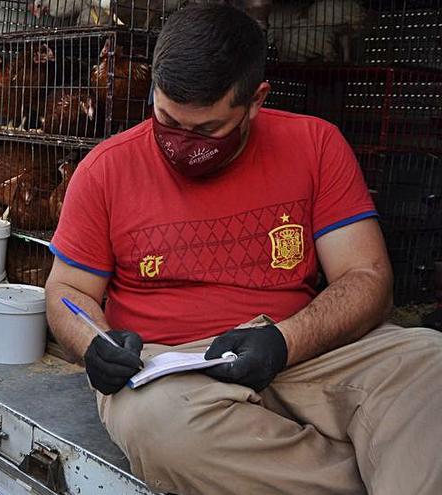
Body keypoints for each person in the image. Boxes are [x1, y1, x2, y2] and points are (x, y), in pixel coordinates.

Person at [46, 5, 441, 495]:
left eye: (207, 130)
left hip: (300, 350)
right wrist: (93, 344)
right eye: (167, 120)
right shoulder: (105, 169)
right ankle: (378, 471)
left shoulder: (315, 144)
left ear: (256, 101)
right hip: (171, 371)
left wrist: (286, 341)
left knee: (428, 361)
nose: (180, 145)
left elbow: (367, 278)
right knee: (161, 428)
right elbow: (66, 289)